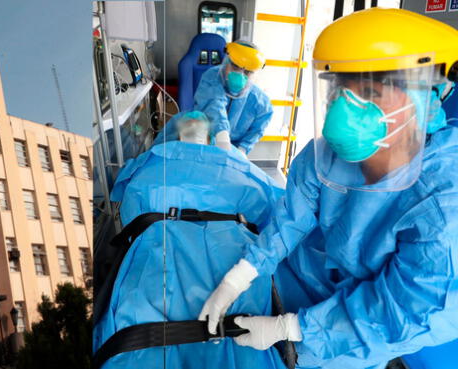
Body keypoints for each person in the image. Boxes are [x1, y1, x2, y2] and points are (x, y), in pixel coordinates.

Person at [199, 8, 458, 369]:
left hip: (366, 324)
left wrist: (293, 328)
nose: (343, 112)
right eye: (340, 90)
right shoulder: (325, 157)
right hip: (304, 277)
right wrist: (242, 274)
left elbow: (406, 309)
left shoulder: (446, 199)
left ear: (425, 96)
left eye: (369, 90)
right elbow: (290, 220)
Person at [93, 111, 285, 369]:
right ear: (210, 138)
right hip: (235, 261)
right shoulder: (243, 171)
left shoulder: (148, 167)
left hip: (155, 273)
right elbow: (278, 218)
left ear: (173, 134)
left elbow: (130, 212)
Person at [194, 40, 273, 154]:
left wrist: (242, 150)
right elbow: (214, 105)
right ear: (226, 62)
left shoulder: (260, 103)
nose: (240, 75)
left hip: (234, 151)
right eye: (235, 67)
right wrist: (222, 136)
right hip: (203, 141)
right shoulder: (212, 77)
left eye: (247, 72)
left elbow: (257, 130)